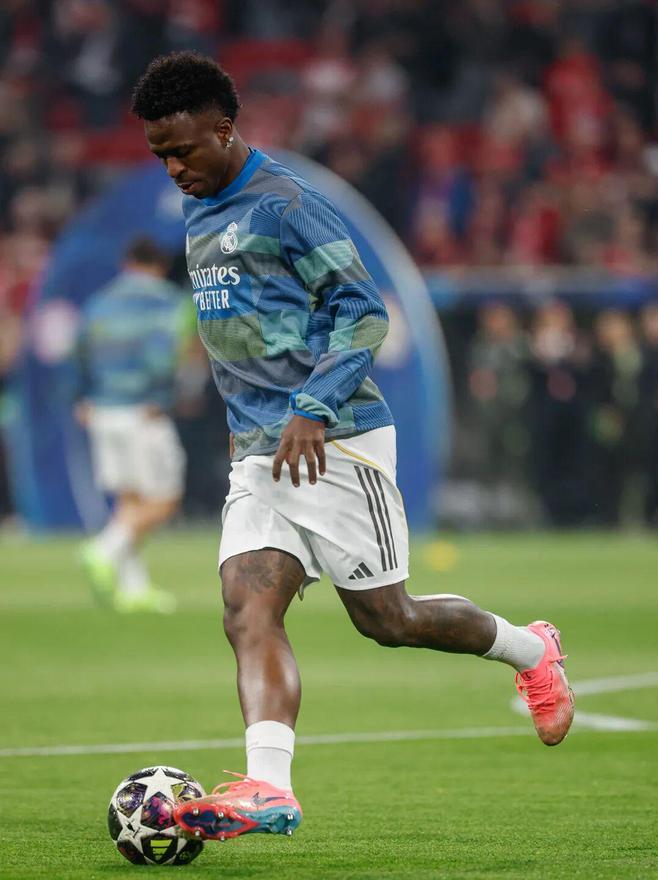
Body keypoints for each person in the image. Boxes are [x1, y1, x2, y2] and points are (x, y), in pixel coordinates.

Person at [130, 52, 575, 841]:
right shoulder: (198, 209)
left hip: (336, 441)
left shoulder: (288, 206)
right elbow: (239, 329)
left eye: (183, 150)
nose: (173, 168)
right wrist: (246, 418)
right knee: (245, 606)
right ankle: (269, 788)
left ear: (224, 129)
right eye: (160, 154)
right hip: (261, 452)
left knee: (389, 619)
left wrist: (312, 405)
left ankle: (531, 651)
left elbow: (365, 312)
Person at [75, 237, 188, 613]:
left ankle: (133, 589)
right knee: (164, 499)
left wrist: (82, 396)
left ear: (127, 263)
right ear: (159, 266)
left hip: (101, 411)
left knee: (130, 501)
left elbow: (77, 352)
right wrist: (162, 396)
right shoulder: (166, 301)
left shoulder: (99, 302)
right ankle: (102, 549)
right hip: (142, 411)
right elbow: (163, 354)